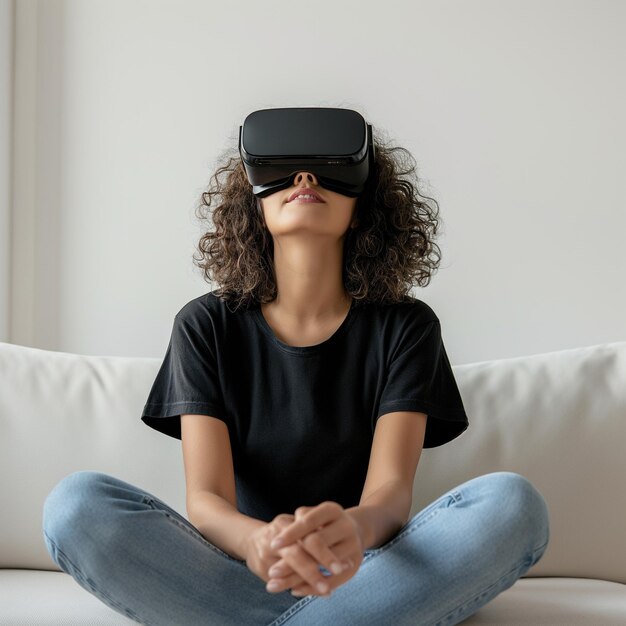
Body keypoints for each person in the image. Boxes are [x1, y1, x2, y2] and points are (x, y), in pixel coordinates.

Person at [42, 132, 550, 625]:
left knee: (513, 506)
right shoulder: (205, 326)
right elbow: (208, 501)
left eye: (330, 167)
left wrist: (351, 530)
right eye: (283, 168)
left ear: (364, 206)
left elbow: (389, 495)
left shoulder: (407, 327)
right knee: (75, 506)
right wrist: (258, 544)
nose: (305, 176)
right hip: (239, 571)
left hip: (366, 572)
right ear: (253, 204)